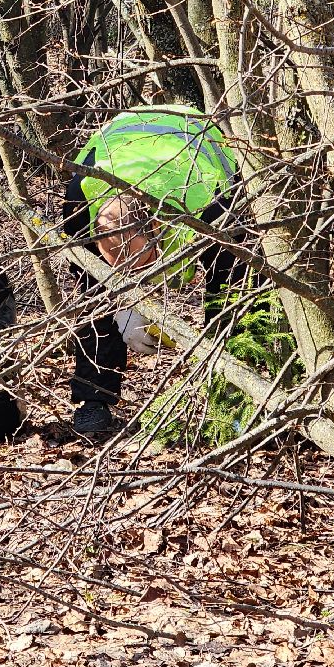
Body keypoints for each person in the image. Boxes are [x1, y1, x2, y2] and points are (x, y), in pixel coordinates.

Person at [62, 104, 246, 435]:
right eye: (111, 257)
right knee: (90, 291)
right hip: (126, 145)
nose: (122, 271)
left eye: (131, 260)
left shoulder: (209, 206)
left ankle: (231, 398)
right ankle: (94, 401)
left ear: (159, 229)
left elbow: (229, 290)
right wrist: (121, 307)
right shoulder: (80, 203)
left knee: (231, 292)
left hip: (200, 153)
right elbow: (89, 288)